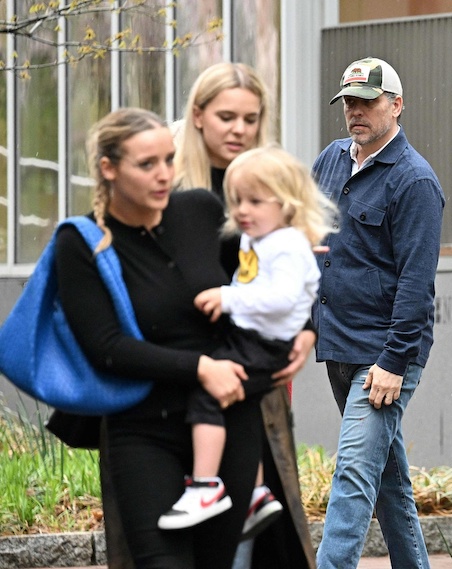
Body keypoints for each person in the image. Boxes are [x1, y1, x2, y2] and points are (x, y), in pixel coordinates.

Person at [55, 107, 261, 568]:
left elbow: (255, 281)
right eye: (146, 164)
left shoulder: (201, 211)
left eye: (168, 159)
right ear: (108, 168)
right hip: (143, 432)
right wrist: (201, 368)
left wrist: (303, 327)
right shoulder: (82, 241)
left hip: (228, 423)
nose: (164, 174)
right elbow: (106, 347)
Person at [172, 61, 317, 568]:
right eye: (226, 117)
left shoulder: (266, 181)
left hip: (250, 356)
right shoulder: (168, 181)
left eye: (250, 119)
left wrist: (308, 328)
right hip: (185, 363)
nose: (239, 129)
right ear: (198, 115)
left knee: (259, 511)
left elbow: (297, 265)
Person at [158, 145, 333, 539]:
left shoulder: (286, 245)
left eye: (255, 201)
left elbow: (282, 298)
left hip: (265, 345)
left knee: (208, 396)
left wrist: (228, 298)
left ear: (286, 204)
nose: (241, 211)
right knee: (241, 410)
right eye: (236, 201)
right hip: (253, 338)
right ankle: (254, 494)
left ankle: (205, 486)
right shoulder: (259, 239)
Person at [311, 57, 445, 569]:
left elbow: (416, 282)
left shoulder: (415, 181)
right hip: (337, 344)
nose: (356, 111)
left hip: (384, 356)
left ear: (396, 105)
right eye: (349, 102)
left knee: (352, 473)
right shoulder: (330, 160)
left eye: (368, 101)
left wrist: (393, 361)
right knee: (388, 482)